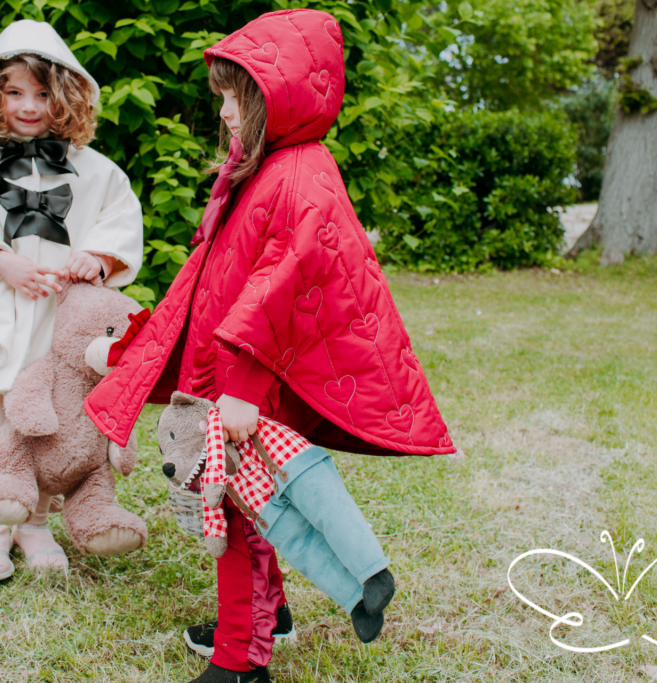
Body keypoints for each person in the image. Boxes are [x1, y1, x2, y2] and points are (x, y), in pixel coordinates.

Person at [86, 9, 454, 683]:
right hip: (224, 377)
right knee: (249, 505)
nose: (225, 112)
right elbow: (222, 272)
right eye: (223, 96)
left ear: (277, 98)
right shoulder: (267, 169)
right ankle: (272, 616)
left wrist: (243, 390)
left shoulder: (297, 174)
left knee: (234, 511)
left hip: (241, 385)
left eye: (237, 96)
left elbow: (277, 288)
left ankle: (239, 660)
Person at [0, 19, 143, 583]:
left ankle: (37, 523)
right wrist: (1, 261)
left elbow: (122, 224)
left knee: (51, 421)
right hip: (0, 311)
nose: (29, 105)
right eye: (15, 92)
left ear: (66, 95)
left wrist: (95, 259)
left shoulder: (97, 171)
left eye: (43, 93)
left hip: (60, 320)